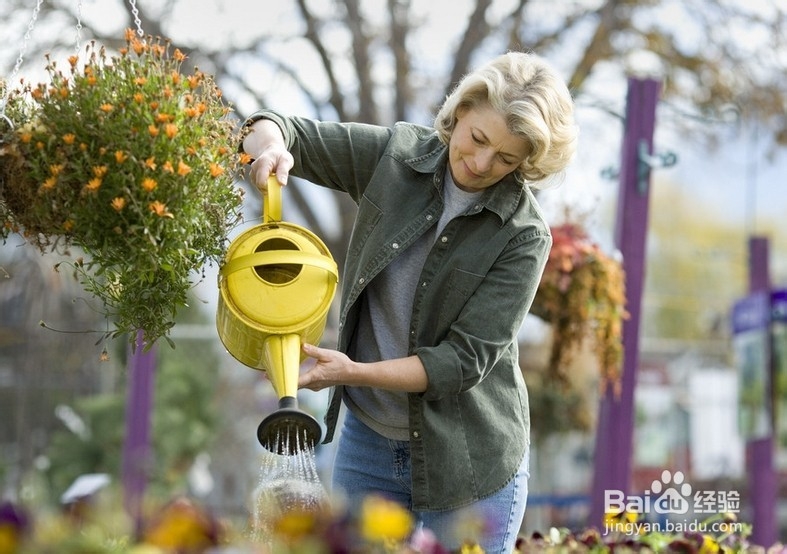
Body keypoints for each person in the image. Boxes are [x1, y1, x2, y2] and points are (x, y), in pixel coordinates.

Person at [241, 51, 577, 552]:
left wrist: (351, 372)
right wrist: (270, 149)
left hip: (469, 461)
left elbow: (460, 363)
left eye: (507, 158)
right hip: (368, 445)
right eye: (478, 139)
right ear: (460, 111)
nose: (482, 164)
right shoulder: (393, 160)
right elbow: (278, 127)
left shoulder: (524, 236)